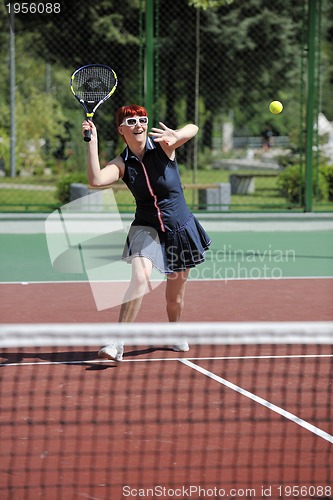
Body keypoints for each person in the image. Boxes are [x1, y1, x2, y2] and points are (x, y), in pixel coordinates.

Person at [82, 104, 211, 361]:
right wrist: (91, 142)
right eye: (131, 122)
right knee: (140, 279)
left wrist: (178, 134)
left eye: (143, 119)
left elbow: (194, 127)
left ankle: (175, 331)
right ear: (121, 130)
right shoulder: (122, 164)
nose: (139, 125)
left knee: (174, 298)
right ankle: (117, 342)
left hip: (179, 228)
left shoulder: (164, 146)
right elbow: (95, 180)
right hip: (146, 227)